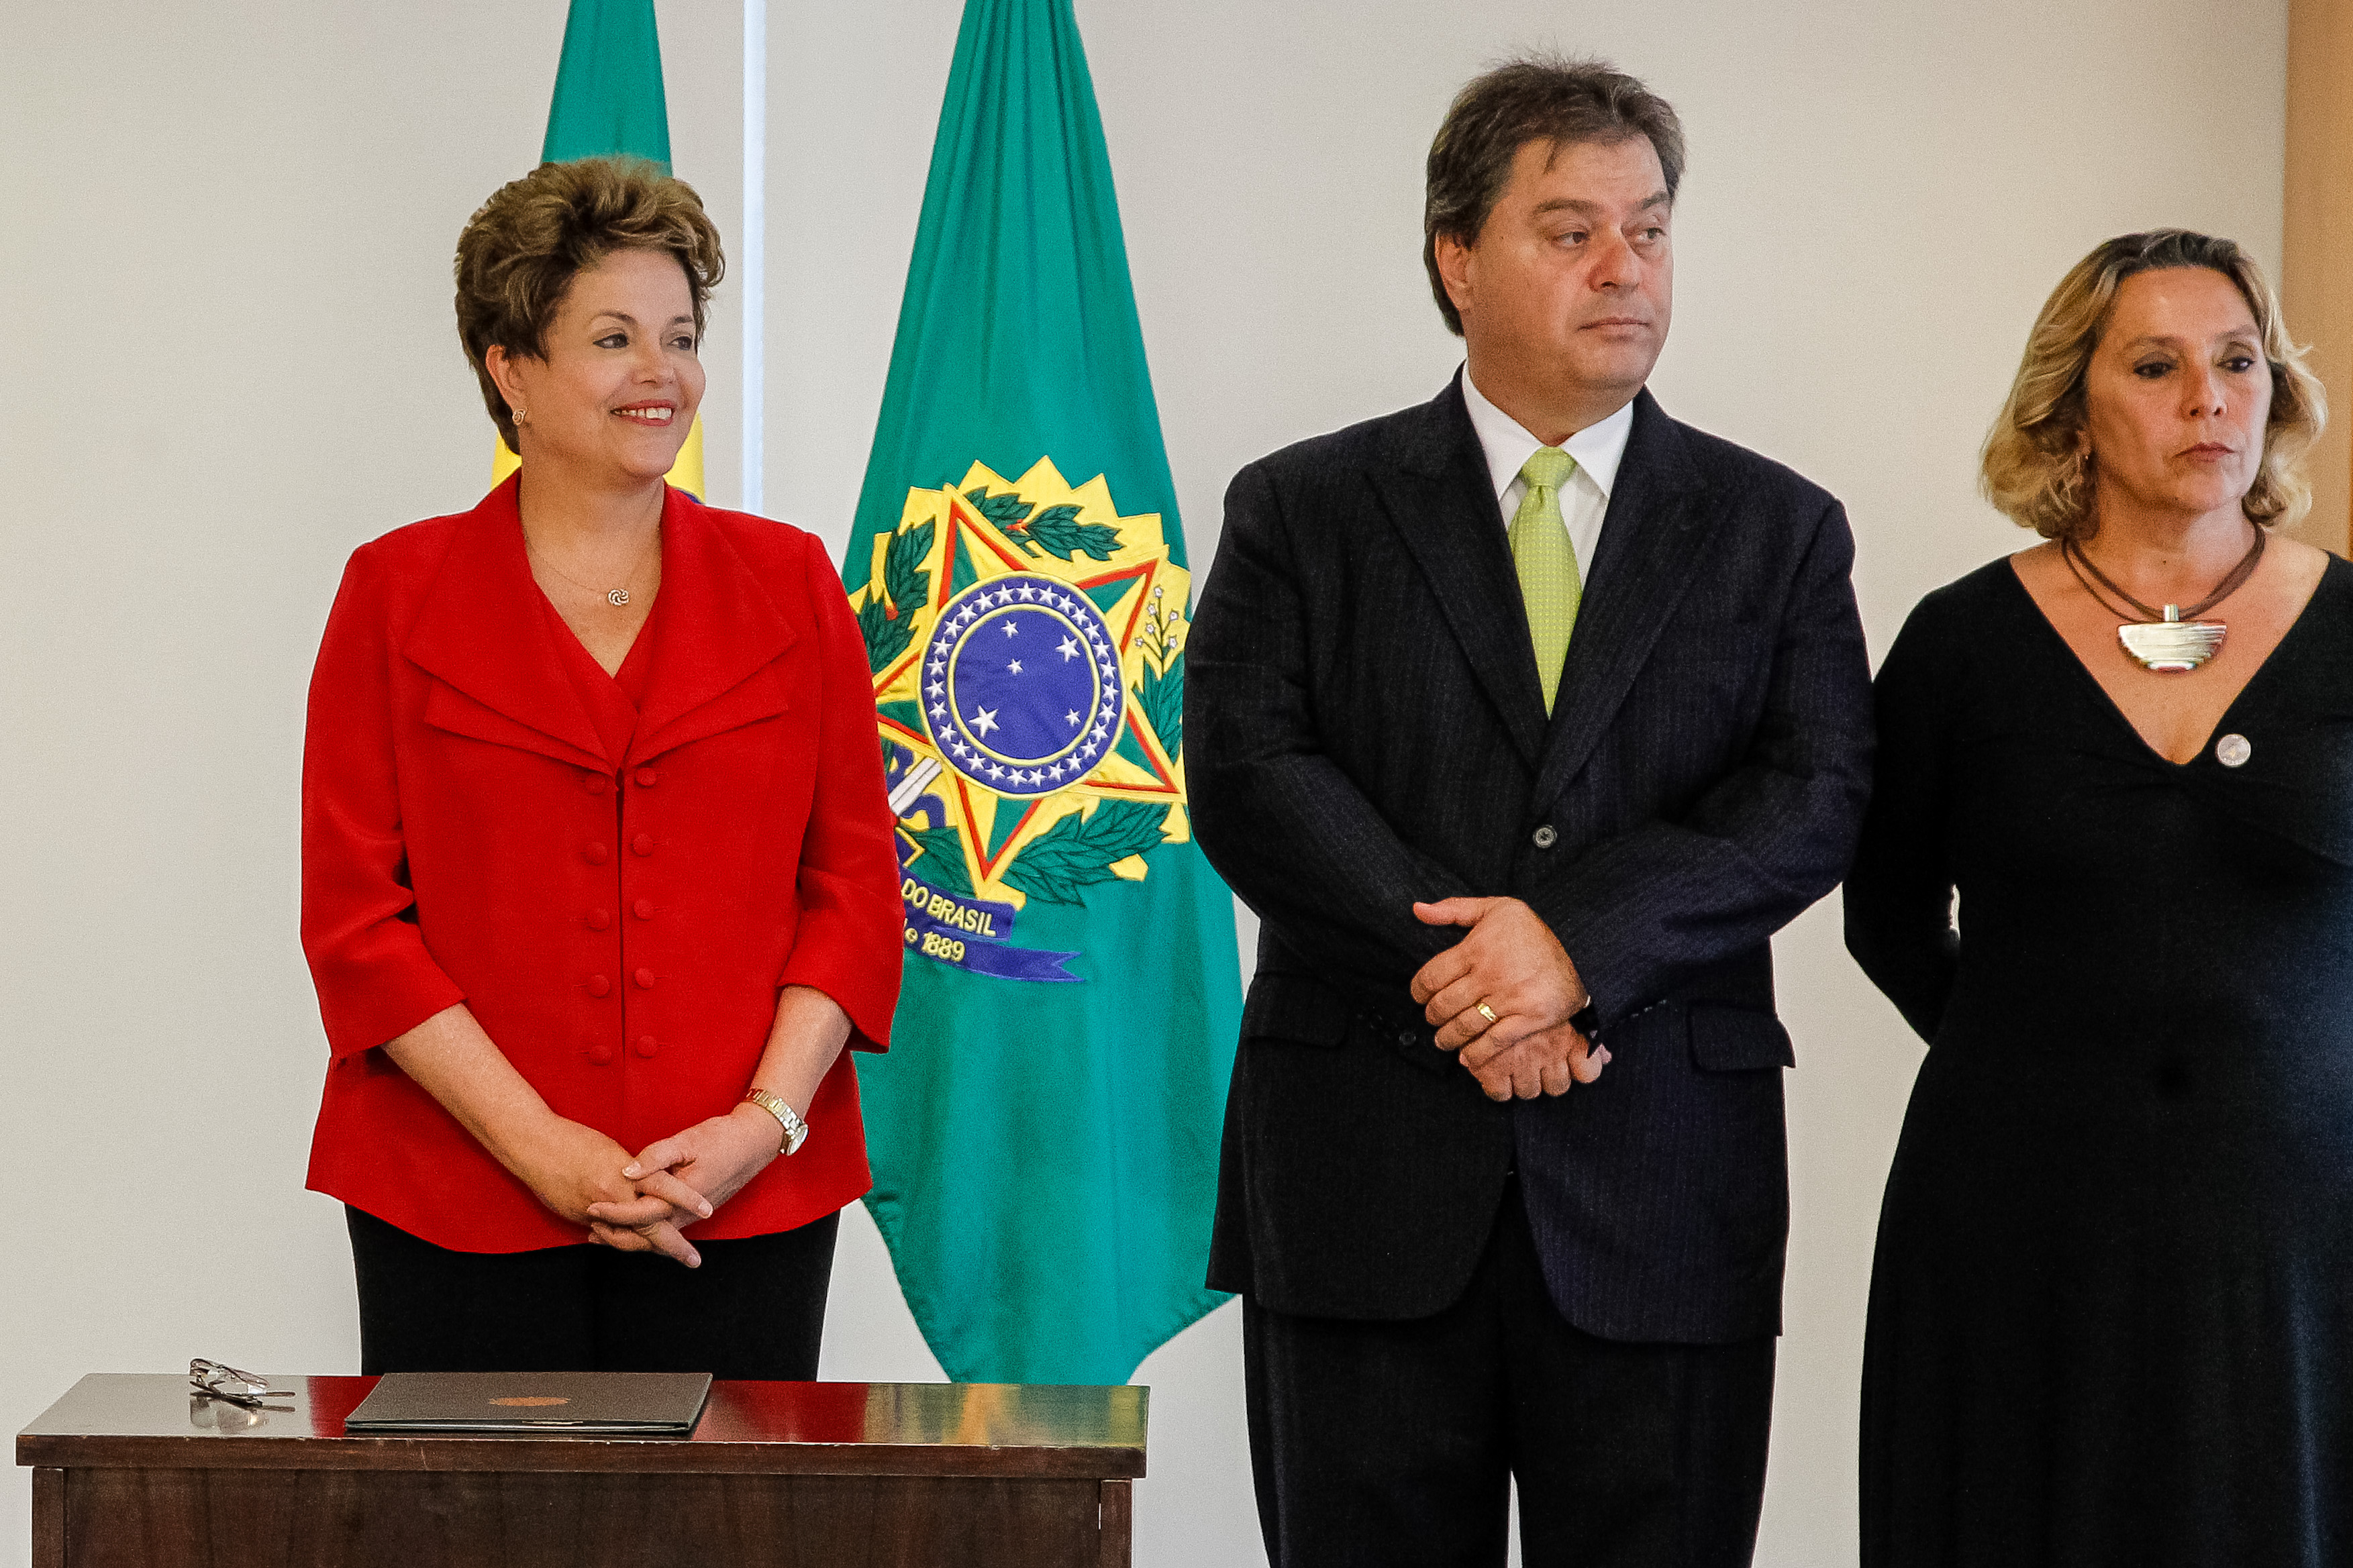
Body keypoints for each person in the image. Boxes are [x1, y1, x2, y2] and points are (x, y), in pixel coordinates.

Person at [1187, 55, 1873, 1568]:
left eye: (1649, 227)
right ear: (1455, 257)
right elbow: (1250, 770)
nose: (1624, 265)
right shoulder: (1300, 507)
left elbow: (1814, 798)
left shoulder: (1775, 527)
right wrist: (1481, 975)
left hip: (1662, 1181)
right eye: (1571, 231)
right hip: (1361, 1176)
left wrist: (1571, 948)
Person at [299, 157, 902, 1379]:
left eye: (680, 337)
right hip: (453, 1198)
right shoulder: (394, 591)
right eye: (614, 337)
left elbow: (852, 891)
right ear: (509, 369)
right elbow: (358, 922)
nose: (661, 374)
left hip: (740, 1199)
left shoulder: (791, 582)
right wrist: (540, 1149)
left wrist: (760, 1128)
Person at [1846, 230, 2342, 1565]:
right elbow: (1880, 911)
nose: (2210, 398)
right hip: (2016, 1217)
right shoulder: (1959, 644)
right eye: (2157, 365)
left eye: (2239, 362)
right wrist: (2040, 1054)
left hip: (2307, 1223)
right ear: (2070, 405)